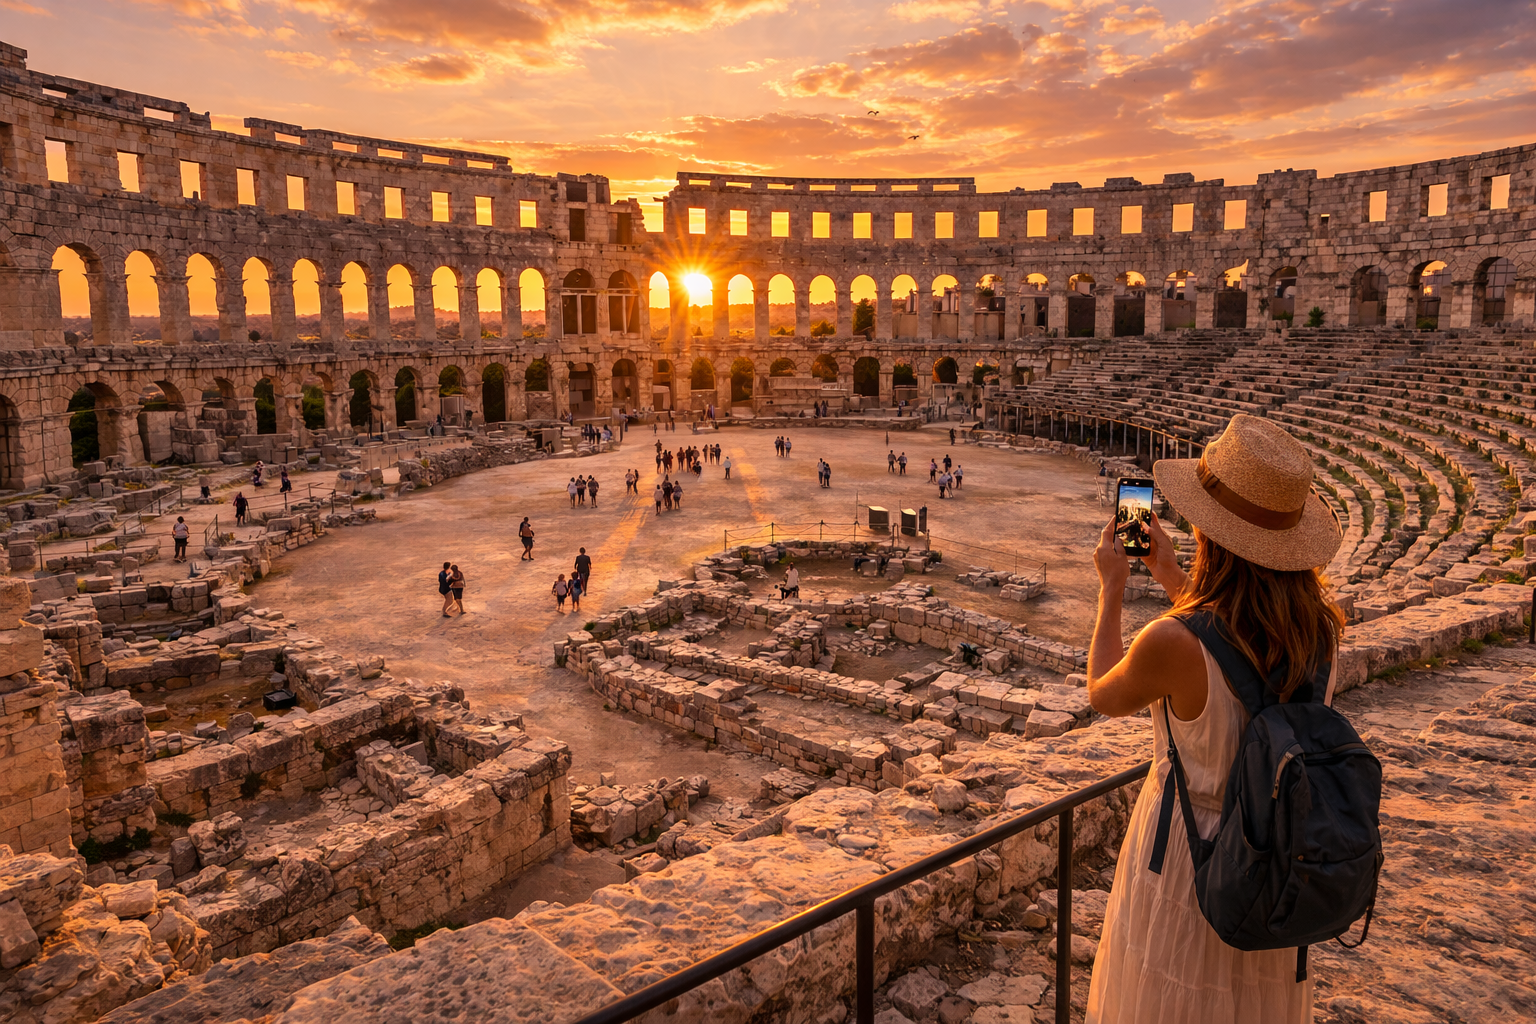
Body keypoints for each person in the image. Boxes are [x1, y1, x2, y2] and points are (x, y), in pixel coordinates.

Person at [1084, 414, 1344, 1024]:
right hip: (1275, 856)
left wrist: (1113, 587)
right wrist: (1170, 574)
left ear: (1210, 533)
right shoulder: (1320, 636)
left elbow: (1103, 692)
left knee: (1169, 993)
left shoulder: (1171, 643)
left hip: (1188, 858)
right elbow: (1236, 655)